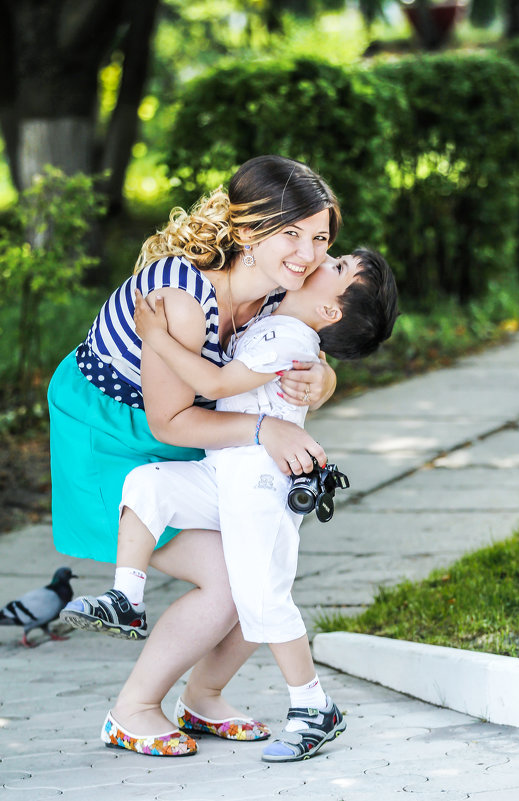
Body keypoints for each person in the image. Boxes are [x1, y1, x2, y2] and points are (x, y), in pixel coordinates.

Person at [48, 155, 342, 757]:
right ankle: (132, 711)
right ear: (244, 231)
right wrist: (263, 430)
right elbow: (170, 418)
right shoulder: (180, 298)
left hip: (189, 439)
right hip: (107, 434)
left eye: (320, 237)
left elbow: (298, 347)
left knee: (255, 566)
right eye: (290, 232)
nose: (308, 253)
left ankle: (203, 701)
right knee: (229, 581)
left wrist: (324, 379)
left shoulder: (270, 299)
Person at [62, 247, 399, 761]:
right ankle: (126, 600)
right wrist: (321, 377)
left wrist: (157, 338)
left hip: (257, 486)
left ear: (331, 310)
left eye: (333, 261)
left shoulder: (288, 333)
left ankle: (311, 706)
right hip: (219, 468)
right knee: (149, 485)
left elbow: (217, 383)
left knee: (260, 594)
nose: (319, 255)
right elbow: (309, 358)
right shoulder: (275, 313)